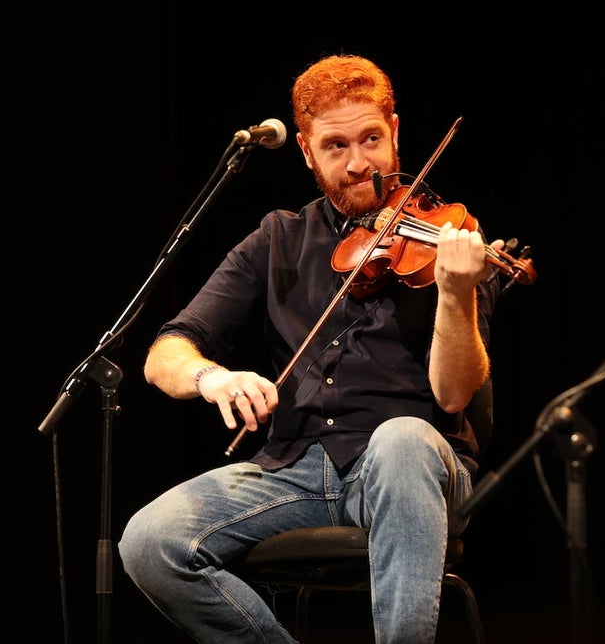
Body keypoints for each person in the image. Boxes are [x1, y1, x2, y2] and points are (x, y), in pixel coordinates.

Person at [119, 54, 504, 643]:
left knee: (401, 438)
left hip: (412, 468)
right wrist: (212, 378)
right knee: (151, 540)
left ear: (395, 131)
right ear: (305, 151)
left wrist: (455, 291)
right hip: (295, 470)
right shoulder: (277, 238)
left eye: (372, 139)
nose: (359, 164)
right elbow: (166, 352)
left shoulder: (450, 239)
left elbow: (454, 394)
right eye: (335, 146)